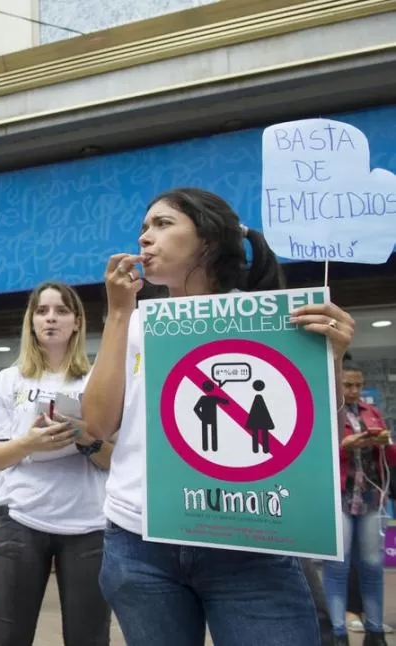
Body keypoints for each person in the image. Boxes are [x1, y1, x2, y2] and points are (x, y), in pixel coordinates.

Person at [83, 187, 355, 646]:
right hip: (140, 542)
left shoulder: (275, 322)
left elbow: (311, 439)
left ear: (207, 239)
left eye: (163, 224)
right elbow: (96, 426)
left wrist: (331, 360)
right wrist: (117, 314)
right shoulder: (136, 322)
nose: (146, 238)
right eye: (144, 229)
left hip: (251, 541)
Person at [0, 282, 114, 646]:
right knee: (9, 635)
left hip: (89, 524)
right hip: (20, 518)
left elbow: (114, 458)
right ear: (31, 321)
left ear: (77, 321)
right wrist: (28, 443)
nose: (51, 318)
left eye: (61, 311)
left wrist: (84, 438)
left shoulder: (97, 379)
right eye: (42, 311)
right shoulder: (8, 379)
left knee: (89, 637)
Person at [322, 362, 394, 646]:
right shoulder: (326, 412)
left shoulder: (373, 413)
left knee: (373, 566)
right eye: (347, 384)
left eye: (358, 385)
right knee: (337, 567)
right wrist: (343, 448)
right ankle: (337, 633)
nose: (353, 390)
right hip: (339, 498)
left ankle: (375, 632)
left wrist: (386, 443)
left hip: (372, 499)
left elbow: (390, 460)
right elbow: (316, 456)